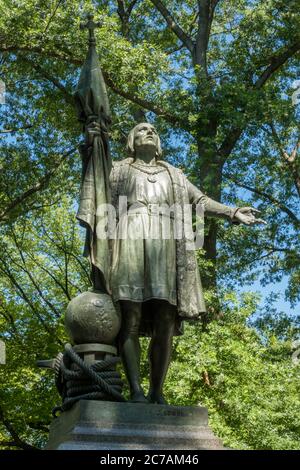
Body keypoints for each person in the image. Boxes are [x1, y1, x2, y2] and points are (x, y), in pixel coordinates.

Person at [80, 121, 264, 404]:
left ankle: (157, 390)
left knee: (166, 317)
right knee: (130, 316)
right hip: (129, 235)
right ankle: (136, 392)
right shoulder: (118, 169)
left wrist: (232, 212)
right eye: (141, 130)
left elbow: (199, 200)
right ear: (131, 141)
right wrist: (92, 143)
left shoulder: (174, 174)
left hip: (165, 241)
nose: (149, 132)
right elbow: (94, 176)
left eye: (153, 130)